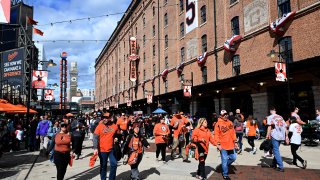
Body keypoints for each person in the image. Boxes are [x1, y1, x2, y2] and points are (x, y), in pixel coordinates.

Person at [93, 112, 120, 180]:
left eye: (106, 118)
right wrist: (95, 148)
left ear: (110, 118)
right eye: (103, 118)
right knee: (103, 166)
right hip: (102, 150)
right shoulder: (99, 126)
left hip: (111, 149)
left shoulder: (114, 126)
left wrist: (117, 138)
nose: (104, 119)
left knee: (114, 164)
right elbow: (95, 137)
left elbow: (118, 134)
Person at [214, 110, 238, 180]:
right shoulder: (218, 124)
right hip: (223, 145)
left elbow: (233, 133)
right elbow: (216, 135)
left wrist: (235, 142)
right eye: (224, 114)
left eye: (226, 114)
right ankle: (225, 174)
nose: (225, 115)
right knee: (224, 160)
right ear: (221, 116)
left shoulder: (230, 122)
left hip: (231, 144)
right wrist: (218, 144)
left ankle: (224, 166)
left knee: (233, 157)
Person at [266, 106, 289, 172]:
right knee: (276, 149)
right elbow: (285, 127)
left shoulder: (270, 117)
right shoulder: (280, 117)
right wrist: (286, 136)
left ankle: (281, 166)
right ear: (275, 111)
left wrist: (267, 135)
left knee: (275, 151)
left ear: (270, 111)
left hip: (275, 135)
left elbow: (269, 126)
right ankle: (274, 164)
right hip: (281, 135)